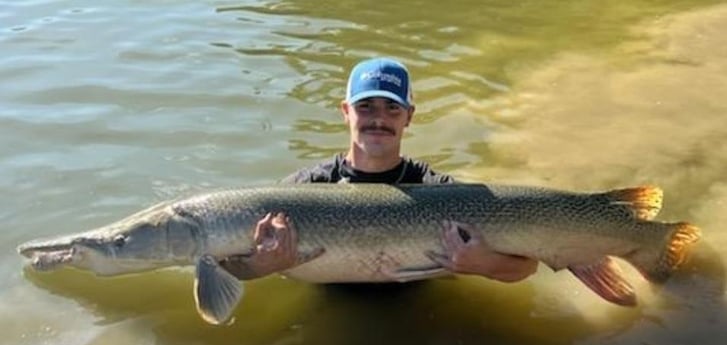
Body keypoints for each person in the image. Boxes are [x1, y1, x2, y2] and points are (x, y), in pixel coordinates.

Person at [220, 57, 537, 283]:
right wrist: (261, 266)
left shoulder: (438, 190)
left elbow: (525, 268)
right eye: (365, 107)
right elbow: (231, 268)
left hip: (420, 305)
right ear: (346, 112)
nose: (378, 119)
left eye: (392, 108)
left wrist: (484, 263)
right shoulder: (301, 191)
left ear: (409, 116)